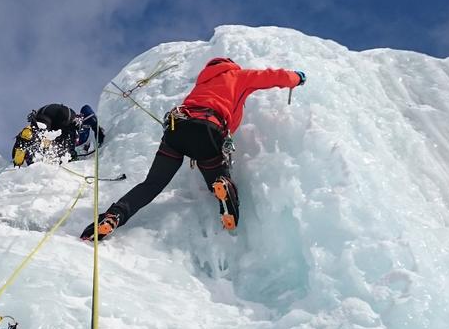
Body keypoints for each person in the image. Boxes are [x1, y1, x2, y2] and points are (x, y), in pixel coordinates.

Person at [81, 57, 306, 240]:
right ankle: (222, 186)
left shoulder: (202, 83)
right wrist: (296, 78)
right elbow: (272, 77)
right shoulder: (238, 75)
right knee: (217, 177)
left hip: (177, 129)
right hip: (208, 130)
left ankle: (114, 216)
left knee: (152, 184)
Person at [12, 103, 106, 167]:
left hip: (44, 115)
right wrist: (98, 131)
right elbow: (87, 110)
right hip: (60, 118)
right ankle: (29, 148)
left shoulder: (81, 135)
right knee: (55, 142)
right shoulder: (82, 134)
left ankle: (26, 147)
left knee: (45, 140)